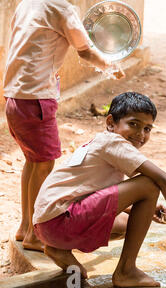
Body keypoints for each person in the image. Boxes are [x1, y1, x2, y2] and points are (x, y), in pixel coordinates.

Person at [33, 92, 166, 287]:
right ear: (110, 123)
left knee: (128, 223)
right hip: (61, 221)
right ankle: (126, 271)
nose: (140, 134)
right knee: (149, 184)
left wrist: (148, 210)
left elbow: (92, 193)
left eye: (147, 128)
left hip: (46, 226)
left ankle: (58, 249)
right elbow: (162, 179)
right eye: (133, 124)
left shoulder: (99, 142)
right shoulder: (114, 143)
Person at [3, 0, 125, 251]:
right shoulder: (63, 9)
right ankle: (35, 235)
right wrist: (109, 66)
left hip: (15, 96)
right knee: (44, 164)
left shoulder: (28, 3)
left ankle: (25, 227)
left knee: (33, 161)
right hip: (37, 98)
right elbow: (85, 51)